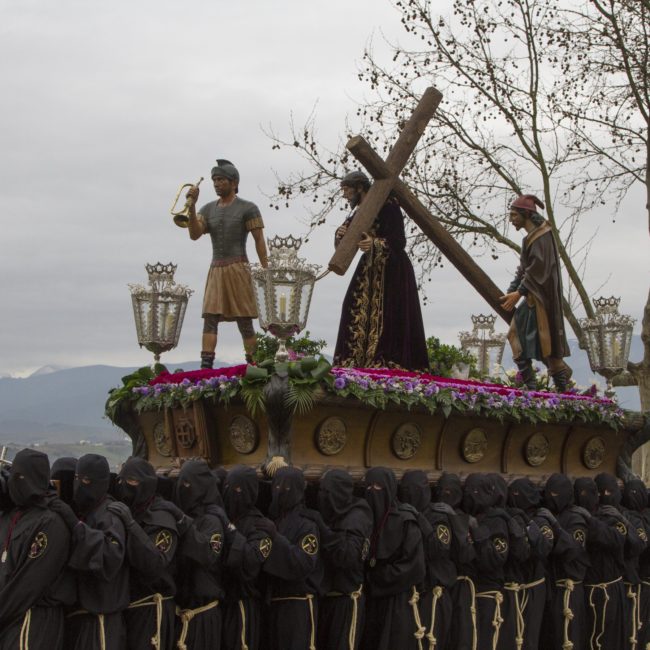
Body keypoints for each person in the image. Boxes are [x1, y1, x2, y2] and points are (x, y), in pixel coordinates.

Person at [333, 171, 429, 371]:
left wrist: (375, 244)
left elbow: (399, 240)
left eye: (347, 189)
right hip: (368, 270)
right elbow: (346, 243)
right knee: (352, 306)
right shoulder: (358, 212)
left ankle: (386, 362)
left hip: (392, 270)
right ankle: (355, 360)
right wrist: (340, 235)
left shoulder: (388, 204)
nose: (344, 195)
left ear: (359, 187)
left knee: (389, 313)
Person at [186, 159, 269, 368]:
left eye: (221, 180)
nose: (216, 184)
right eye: (214, 180)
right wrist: (192, 206)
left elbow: (259, 240)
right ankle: (206, 366)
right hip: (216, 269)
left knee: (244, 319)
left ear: (234, 182)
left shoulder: (248, 208)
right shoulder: (207, 209)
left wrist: (266, 270)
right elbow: (195, 234)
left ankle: (254, 364)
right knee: (210, 318)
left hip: (239, 268)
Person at [49, 453, 129, 650]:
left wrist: (75, 525)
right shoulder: (88, 511)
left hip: (101, 620)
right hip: (82, 616)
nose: (79, 485)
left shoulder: (110, 514)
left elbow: (109, 556)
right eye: (76, 479)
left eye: (86, 480)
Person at [107, 457, 186, 650]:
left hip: (152, 610)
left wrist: (132, 526)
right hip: (129, 607)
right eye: (121, 480)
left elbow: (155, 563)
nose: (125, 486)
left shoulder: (162, 518)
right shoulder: (128, 511)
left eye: (132, 481)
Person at [0, 449, 74, 650]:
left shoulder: (50, 523)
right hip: (8, 620)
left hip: (33, 623)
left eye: (21, 477)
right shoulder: (10, 516)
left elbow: (28, 585)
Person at [499, 194, 572, 392]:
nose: (511, 219)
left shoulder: (543, 235)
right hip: (533, 296)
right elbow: (524, 268)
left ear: (526, 214)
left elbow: (538, 268)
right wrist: (511, 291)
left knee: (549, 350)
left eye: (514, 215)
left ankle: (557, 391)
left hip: (541, 299)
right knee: (523, 340)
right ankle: (533, 387)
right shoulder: (529, 239)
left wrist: (518, 293)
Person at [306, 468, 373, 650]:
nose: (323, 497)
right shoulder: (334, 514)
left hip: (346, 600)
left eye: (327, 493)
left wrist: (322, 528)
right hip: (326, 599)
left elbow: (347, 556)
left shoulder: (357, 517)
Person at [361, 467, 425, 650]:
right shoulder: (366, 519)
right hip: (372, 601)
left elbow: (414, 566)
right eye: (368, 487)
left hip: (397, 600)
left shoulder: (405, 520)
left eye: (378, 487)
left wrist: (376, 578)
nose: (372, 492)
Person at [259, 466, 323, 650]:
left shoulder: (308, 524)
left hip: (299, 605)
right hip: (275, 604)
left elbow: (303, 563)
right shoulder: (274, 520)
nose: (280, 492)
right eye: (277, 487)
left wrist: (276, 538)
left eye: (287, 488)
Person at [172, 459, 226, 650]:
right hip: (180, 612)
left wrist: (183, 523)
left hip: (203, 614)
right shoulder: (183, 516)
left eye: (187, 484)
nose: (182, 488)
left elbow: (208, 554)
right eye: (180, 482)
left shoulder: (213, 520)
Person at [399, 470, 456, 650]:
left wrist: (420, 518)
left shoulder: (437, 515)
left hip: (435, 596)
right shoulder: (403, 513)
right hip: (413, 596)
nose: (410, 494)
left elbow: (440, 548)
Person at [221, 465, 274, 650]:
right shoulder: (223, 517)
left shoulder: (260, 525)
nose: (230, 494)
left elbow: (250, 563)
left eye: (237, 490)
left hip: (244, 605)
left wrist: (232, 532)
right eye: (227, 487)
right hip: (222, 604)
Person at [542, 473, 590, 650]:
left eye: (555, 494)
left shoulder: (576, 518)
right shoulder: (554, 514)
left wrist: (555, 526)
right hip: (553, 590)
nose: (550, 498)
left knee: (569, 639)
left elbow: (573, 550)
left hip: (570, 591)